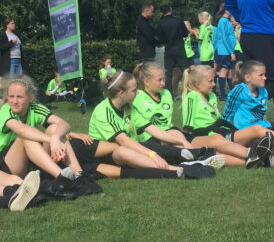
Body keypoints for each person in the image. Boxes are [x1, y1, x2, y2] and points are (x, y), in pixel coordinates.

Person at [87, 69, 222, 177]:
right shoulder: (104, 111)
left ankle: (192, 156)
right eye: (134, 90)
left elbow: (152, 128)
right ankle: (180, 168)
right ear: (122, 93)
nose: (137, 93)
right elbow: (123, 141)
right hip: (109, 156)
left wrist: (181, 141)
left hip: (133, 147)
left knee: (166, 137)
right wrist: (152, 154)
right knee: (123, 151)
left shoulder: (128, 107)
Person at [0, 75, 93, 198]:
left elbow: (64, 124)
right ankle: (62, 178)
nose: (15, 101)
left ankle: (79, 175)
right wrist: (52, 140)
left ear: (31, 97)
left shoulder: (35, 108)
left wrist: (55, 137)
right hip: (4, 165)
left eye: (19, 97)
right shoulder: (5, 111)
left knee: (54, 129)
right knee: (25, 137)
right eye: (11, 96)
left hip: (29, 161)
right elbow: (22, 130)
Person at [181, 65, 274, 168]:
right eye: (210, 81)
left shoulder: (212, 96)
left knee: (251, 136)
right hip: (205, 133)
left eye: (214, 80)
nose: (214, 84)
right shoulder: (192, 96)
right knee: (218, 142)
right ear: (198, 84)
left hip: (221, 130)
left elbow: (217, 117)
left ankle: (261, 157)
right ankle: (254, 154)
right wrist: (189, 142)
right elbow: (187, 125)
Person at [156, 5, 189, 97]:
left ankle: (169, 94)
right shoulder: (178, 20)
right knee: (185, 70)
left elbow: (160, 40)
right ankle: (187, 92)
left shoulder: (161, 23)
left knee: (168, 74)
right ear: (171, 10)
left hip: (169, 50)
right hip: (180, 49)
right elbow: (185, 34)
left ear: (162, 13)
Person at [212, 5, 237, 100]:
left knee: (229, 72)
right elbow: (225, 37)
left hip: (227, 51)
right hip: (225, 52)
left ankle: (232, 92)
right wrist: (231, 52)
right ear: (226, 10)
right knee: (224, 71)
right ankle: (223, 95)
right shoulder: (223, 21)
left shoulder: (225, 21)